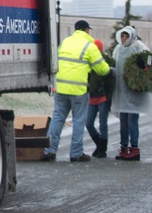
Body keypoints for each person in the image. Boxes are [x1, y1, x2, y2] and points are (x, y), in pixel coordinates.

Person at [41, 20, 111, 162]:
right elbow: (102, 69)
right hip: (78, 90)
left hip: (61, 88)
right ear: (87, 30)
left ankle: (49, 150)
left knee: (57, 118)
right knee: (78, 121)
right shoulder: (89, 46)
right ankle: (76, 153)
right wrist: (110, 70)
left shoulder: (65, 42)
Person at [111, 25, 152, 161]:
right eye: (122, 36)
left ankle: (134, 148)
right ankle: (123, 148)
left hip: (134, 92)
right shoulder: (118, 49)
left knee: (132, 120)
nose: (124, 38)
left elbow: (149, 61)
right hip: (121, 92)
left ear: (132, 36)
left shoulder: (138, 47)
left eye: (126, 36)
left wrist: (143, 66)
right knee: (123, 121)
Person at [85, 39, 112, 158]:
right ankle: (99, 145)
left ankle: (102, 149)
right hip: (92, 97)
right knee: (88, 123)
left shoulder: (104, 61)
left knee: (103, 124)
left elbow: (109, 77)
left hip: (103, 97)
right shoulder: (88, 61)